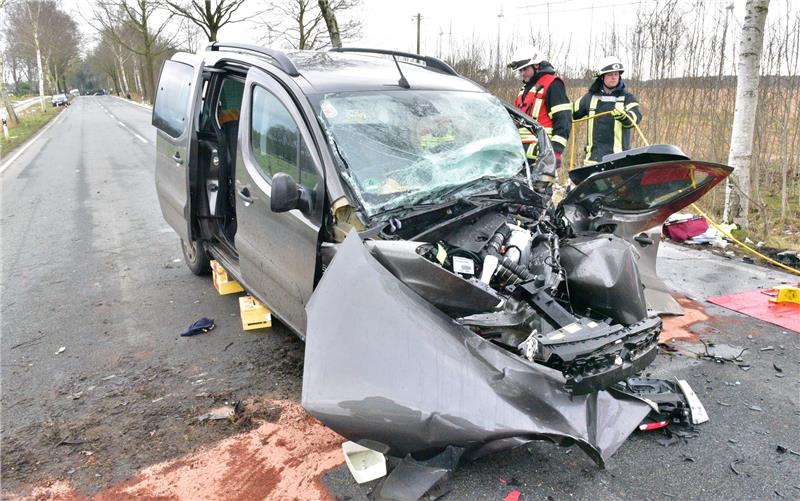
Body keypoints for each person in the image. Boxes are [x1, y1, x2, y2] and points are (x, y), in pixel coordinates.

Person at [507, 46, 572, 170]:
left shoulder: (553, 84)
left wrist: (556, 151)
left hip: (542, 159)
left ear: (536, 65)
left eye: (525, 69)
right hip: (521, 159)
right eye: (520, 71)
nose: (522, 74)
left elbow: (563, 120)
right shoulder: (524, 90)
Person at [572, 56, 642, 165]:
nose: (614, 77)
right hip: (592, 162)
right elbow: (569, 113)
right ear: (602, 77)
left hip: (619, 162)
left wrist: (625, 117)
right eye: (610, 74)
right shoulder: (590, 98)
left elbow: (636, 117)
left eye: (616, 74)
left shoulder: (627, 98)